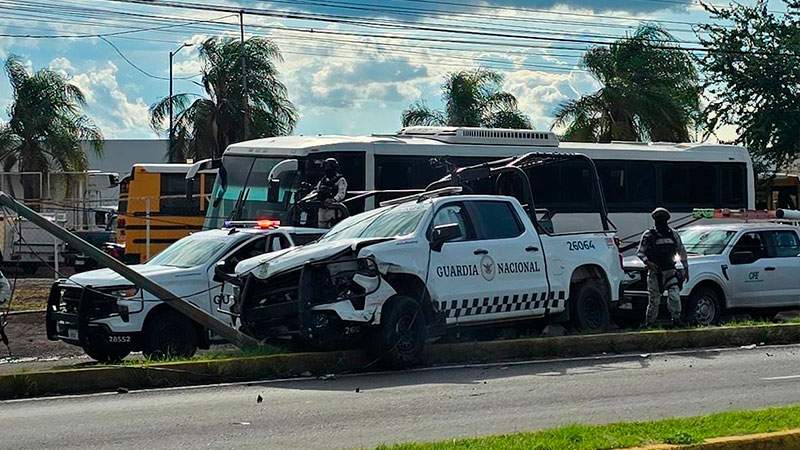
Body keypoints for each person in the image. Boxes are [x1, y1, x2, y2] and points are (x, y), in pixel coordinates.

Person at [636, 208, 689, 327]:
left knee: (675, 297)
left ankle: (676, 319)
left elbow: (682, 251)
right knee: (654, 300)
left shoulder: (673, 234)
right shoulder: (648, 235)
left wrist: (686, 268)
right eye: (659, 219)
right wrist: (648, 263)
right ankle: (649, 323)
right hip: (655, 272)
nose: (661, 222)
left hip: (670, 271)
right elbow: (640, 253)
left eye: (663, 219)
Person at [315, 158, 348, 228]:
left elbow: (341, 193)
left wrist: (333, 200)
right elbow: (317, 190)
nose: (327, 170)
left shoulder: (340, 180)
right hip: (322, 210)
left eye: (329, 167)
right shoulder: (323, 180)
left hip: (334, 210)